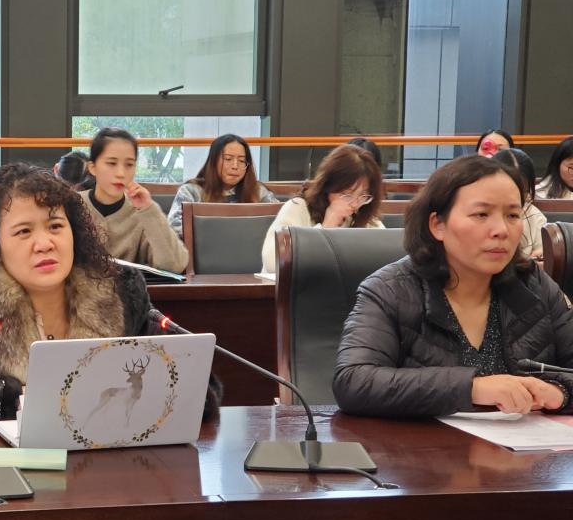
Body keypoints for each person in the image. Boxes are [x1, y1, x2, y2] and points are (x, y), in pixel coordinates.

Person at [0, 163, 220, 424]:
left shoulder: (121, 290)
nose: (45, 243)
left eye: (56, 226)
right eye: (24, 231)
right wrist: (22, 399)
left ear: (74, 233)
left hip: (108, 460)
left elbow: (200, 389)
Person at [334, 155, 573, 419]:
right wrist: (473, 388)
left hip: (527, 444)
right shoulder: (390, 289)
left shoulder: (533, 283)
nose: (502, 230)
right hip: (425, 443)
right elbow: (353, 382)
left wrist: (562, 392)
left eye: (513, 215)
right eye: (481, 214)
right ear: (438, 225)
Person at [260, 143, 384, 274]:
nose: (355, 203)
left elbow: (388, 256)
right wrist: (326, 227)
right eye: (347, 195)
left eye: (363, 196)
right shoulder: (298, 207)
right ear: (328, 186)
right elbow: (272, 262)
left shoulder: (363, 213)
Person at [78, 127, 188, 273]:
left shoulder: (142, 213)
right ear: (93, 168)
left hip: (128, 288)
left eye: (129, 165)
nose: (121, 173)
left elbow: (175, 265)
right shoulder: (72, 206)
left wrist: (149, 210)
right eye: (111, 163)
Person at [167, 134, 278, 239]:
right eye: (228, 159)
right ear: (213, 161)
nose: (235, 166)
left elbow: (282, 221)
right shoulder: (191, 191)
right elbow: (174, 227)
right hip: (205, 250)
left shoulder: (258, 191)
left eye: (241, 161)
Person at [493, 148, 546, 260]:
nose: (515, 197)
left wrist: (540, 256)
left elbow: (543, 253)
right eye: (506, 189)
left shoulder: (534, 216)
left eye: (522, 191)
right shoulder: (477, 212)